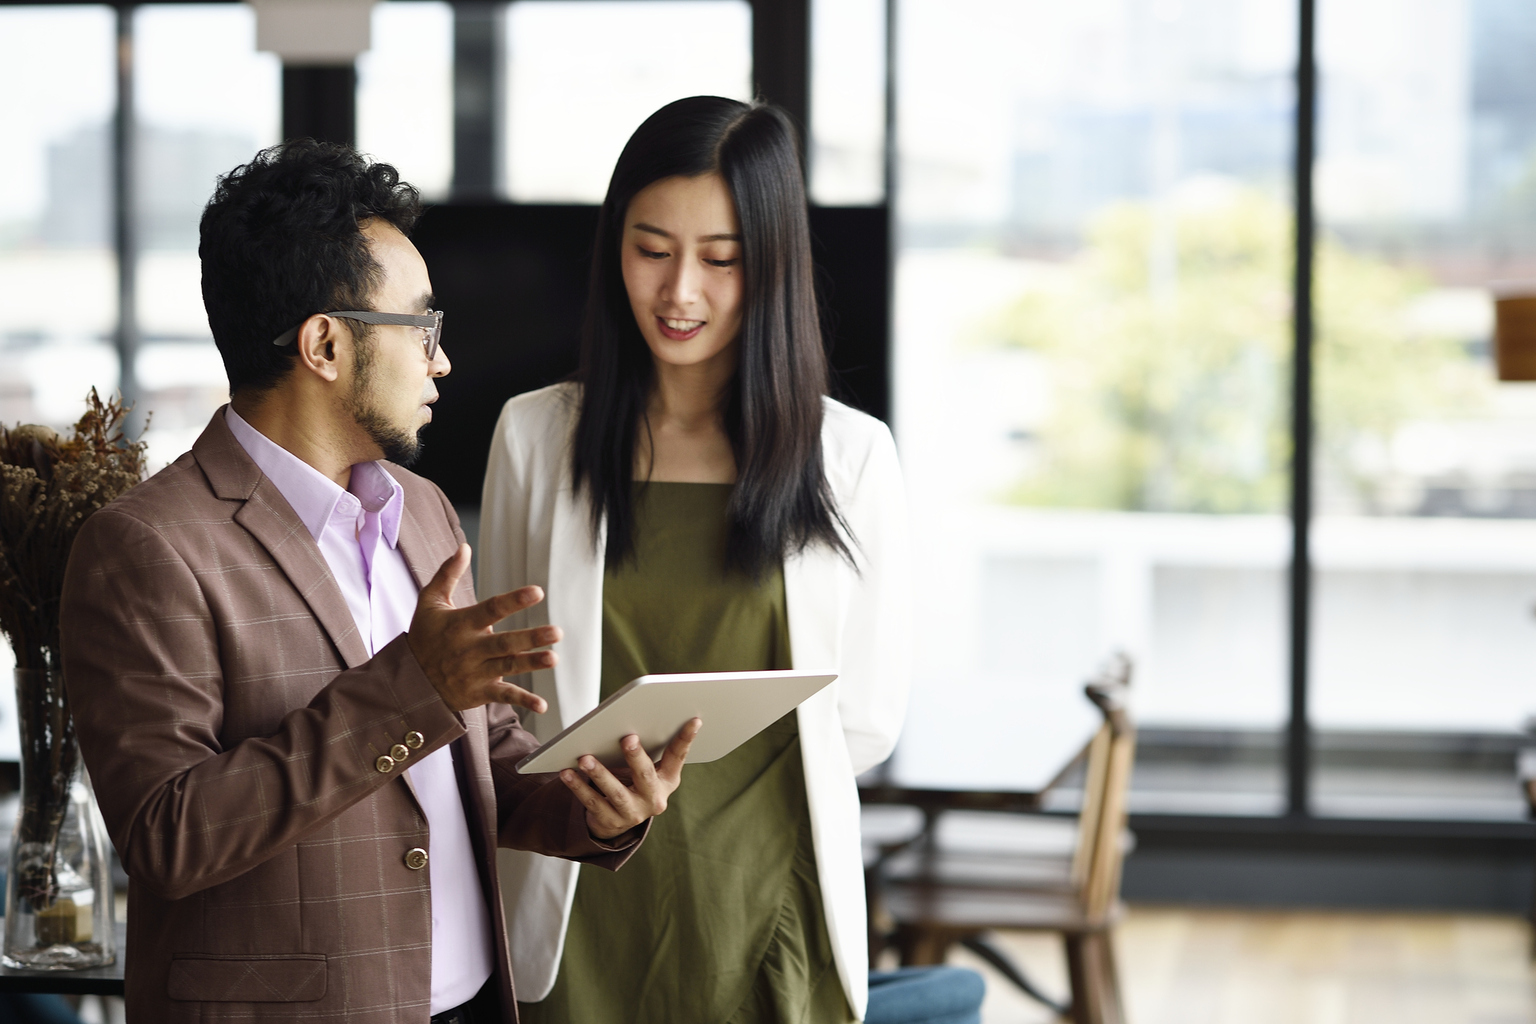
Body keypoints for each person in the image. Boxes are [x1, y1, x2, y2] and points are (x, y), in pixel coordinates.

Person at [59, 140, 697, 1024]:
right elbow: (169, 835)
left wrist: (595, 809)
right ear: (325, 343)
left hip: (473, 1003)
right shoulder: (144, 547)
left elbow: (480, 751)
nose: (441, 362)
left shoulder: (424, 508)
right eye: (422, 327)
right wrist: (411, 693)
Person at [479, 97, 911, 1024]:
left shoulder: (853, 456)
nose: (680, 292)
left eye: (721, 259)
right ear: (613, 250)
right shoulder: (534, 436)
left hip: (767, 904)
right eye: (651, 249)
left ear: (774, 267)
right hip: (577, 903)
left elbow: (866, 720)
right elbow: (500, 701)